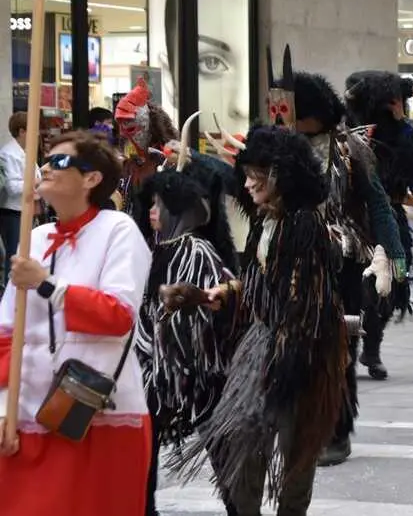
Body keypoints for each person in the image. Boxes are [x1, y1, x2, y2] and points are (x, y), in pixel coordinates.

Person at [166, 121, 346, 516]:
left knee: (297, 449)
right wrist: (224, 293)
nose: (246, 185)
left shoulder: (304, 225)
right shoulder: (265, 221)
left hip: (303, 352)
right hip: (263, 343)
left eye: (255, 176)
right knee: (243, 439)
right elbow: (260, 281)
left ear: (281, 176)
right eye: (245, 176)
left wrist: (288, 360)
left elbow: (304, 302)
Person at [0, 130, 152, 515]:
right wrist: (3, 407)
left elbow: (118, 315)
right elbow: (5, 334)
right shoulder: (33, 237)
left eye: (60, 161)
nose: (46, 168)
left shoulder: (118, 231)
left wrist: (48, 285)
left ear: (92, 179)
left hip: (95, 413)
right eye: (46, 160)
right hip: (27, 415)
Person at [289, 68, 405, 467]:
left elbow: (377, 202)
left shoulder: (350, 149)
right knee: (297, 348)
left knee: (339, 347)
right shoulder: (283, 145)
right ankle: (305, 427)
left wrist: (393, 251)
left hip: (342, 262)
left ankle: (336, 431)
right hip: (293, 262)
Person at [132, 112, 241, 516]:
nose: (152, 213)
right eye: (152, 206)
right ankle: (144, 508)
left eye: (159, 206)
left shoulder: (198, 251)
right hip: (155, 370)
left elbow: (213, 306)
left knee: (219, 443)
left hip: (197, 371)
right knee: (146, 441)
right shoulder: (156, 250)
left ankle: (240, 508)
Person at [344, 70, 413, 379]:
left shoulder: (401, 133)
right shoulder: (347, 129)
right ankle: (349, 352)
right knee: (351, 288)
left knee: (393, 285)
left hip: (389, 216)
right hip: (350, 220)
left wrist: (401, 119)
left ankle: (373, 347)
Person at [114, 77, 179, 216]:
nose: (124, 134)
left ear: (150, 127)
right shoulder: (125, 166)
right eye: (121, 126)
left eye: (131, 128)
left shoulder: (169, 163)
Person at [0, 111, 40, 284]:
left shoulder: (26, 151)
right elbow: (11, 187)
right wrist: (36, 181)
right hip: (12, 211)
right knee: (14, 255)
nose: (37, 133)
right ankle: (10, 291)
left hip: (26, 209)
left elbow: (37, 175)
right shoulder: (8, 154)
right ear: (22, 131)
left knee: (24, 253)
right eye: (33, 129)